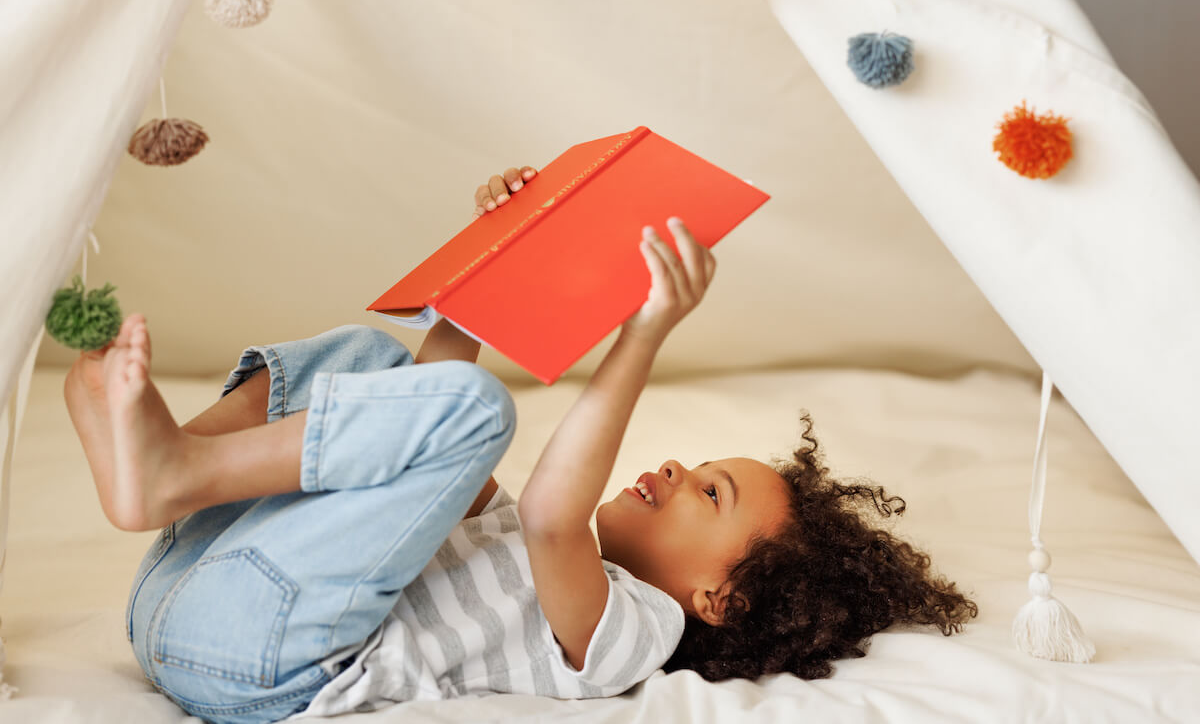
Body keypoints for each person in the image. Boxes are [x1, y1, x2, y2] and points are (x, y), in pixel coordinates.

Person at [63, 166, 976, 723]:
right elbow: (417, 401)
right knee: (380, 362)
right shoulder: (488, 532)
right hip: (197, 585)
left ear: (721, 597)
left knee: (475, 411)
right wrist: (503, 248)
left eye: (708, 492)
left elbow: (551, 512)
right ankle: (171, 464)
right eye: (701, 466)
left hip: (254, 661)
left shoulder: (632, 633)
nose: (672, 467)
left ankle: (172, 472)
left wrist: (646, 332)